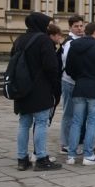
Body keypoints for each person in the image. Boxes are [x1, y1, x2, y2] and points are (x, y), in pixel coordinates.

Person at [14, 12, 62, 171]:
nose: (48, 27)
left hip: (22, 88)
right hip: (40, 89)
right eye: (47, 24)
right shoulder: (43, 40)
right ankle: (41, 158)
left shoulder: (19, 40)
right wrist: (56, 88)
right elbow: (51, 67)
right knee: (41, 122)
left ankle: (22, 159)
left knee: (23, 123)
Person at [64, 22, 95, 166]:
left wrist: (79, 77)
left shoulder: (74, 45)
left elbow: (69, 68)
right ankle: (88, 155)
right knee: (92, 122)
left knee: (76, 122)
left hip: (79, 86)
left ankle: (71, 155)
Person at [59, 14, 85, 154]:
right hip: (69, 80)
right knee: (69, 113)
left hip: (77, 81)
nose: (79, 29)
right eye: (76, 26)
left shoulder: (80, 40)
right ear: (70, 27)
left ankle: (74, 141)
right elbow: (68, 64)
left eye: (81, 26)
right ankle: (65, 143)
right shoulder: (69, 42)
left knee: (77, 114)